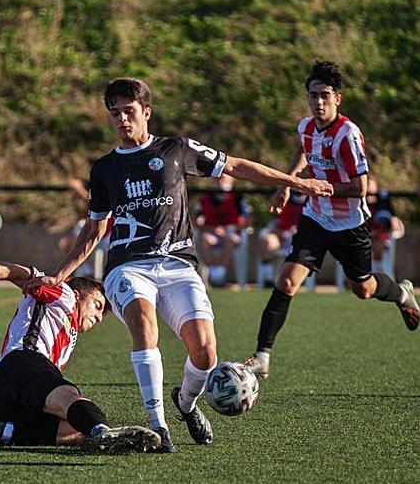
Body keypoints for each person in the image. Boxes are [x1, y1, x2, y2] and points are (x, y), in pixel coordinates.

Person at [22, 77, 334, 452]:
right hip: (128, 267)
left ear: (146, 113)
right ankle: (159, 426)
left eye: (129, 112)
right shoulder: (104, 169)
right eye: (115, 113)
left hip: (178, 265)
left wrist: (296, 183)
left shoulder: (176, 150)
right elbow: (94, 230)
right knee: (143, 322)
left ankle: (185, 403)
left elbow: (234, 166)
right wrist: (60, 274)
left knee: (205, 352)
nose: (122, 119)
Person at [243, 61, 420, 380]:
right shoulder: (305, 127)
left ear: (337, 98)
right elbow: (303, 151)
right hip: (314, 219)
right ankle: (262, 356)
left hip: (350, 225)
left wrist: (323, 188)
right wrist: (289, 183)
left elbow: (361, 187)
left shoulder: (348, 135)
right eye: (313, 95)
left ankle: (401, 293)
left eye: (325, 95)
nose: (318, 101)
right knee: (286, 281)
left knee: (363, 289)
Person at [0, 262, 161, 452]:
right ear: (78, 293)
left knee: (77, 428)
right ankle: (102, 431)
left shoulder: (67, 335)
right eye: (98, 305)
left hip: (5, 401)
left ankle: (1, 431)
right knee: (72, 398)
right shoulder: (62, 293)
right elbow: (15, 271)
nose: (99, 317)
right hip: (20, 364)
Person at [195, 174, 250, 286]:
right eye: (217, 179)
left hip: (231, 233)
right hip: (212, 233)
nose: (220, 182)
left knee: (230, 239)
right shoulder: (205, 198)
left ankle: (221, 272)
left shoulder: (238, 198)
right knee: (205, 239)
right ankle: (211, 272)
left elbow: (247, 220)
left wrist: (230, 229)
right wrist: (212, 229)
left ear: (232, 180)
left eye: (224, 178)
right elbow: (196, 220)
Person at [256, 190, 306, 287]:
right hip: (281, 235)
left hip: (301, 237)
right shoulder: (282, 198)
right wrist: (280, 232)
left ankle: (296, 279)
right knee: (267, 242)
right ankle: (268, 278)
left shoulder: (312, 201)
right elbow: (273, 222)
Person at [366, 175, 403, 274]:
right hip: (364, 237)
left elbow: (395, 226)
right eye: (366, 185)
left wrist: (376, 233)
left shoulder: (384, 202)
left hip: (381, 237)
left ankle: (377, 276)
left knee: (378, 245)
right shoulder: (359, 203)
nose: (368, 188)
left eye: (370, 185)